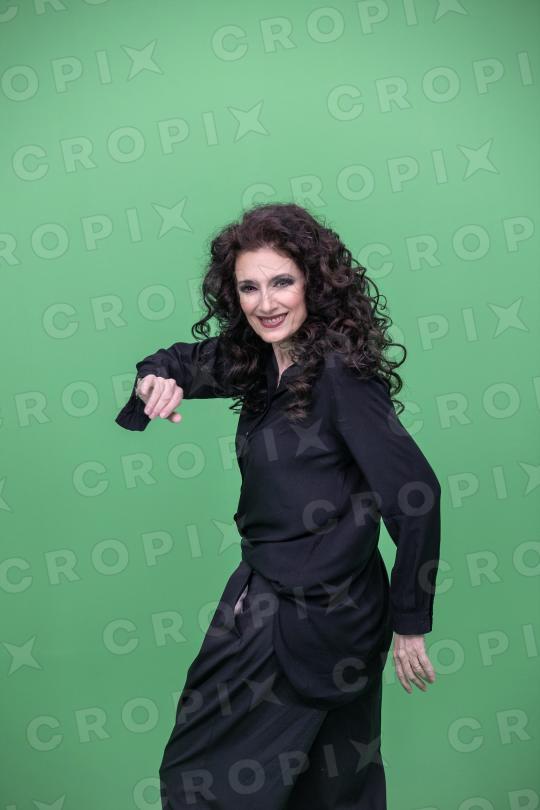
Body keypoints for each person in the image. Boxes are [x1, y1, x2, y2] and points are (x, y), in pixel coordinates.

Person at [115, 202, 442, 809]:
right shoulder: (257, 359)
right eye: (249, 287)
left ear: (314, 283)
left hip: (322, 608)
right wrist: (154, 380)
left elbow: (417, 496)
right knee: (327, 787)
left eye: (282, 282)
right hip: (277, 592)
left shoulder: (340, 376)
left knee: (219, 782)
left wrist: (411, 621)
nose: (265, 303)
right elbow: (180, 360)